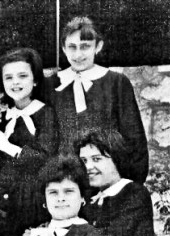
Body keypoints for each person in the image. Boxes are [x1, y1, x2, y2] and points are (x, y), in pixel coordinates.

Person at [49, 16, 148, 183]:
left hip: (107, 180)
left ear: (98, 46)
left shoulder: (116, 82)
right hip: (67, 182)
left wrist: (130, 185)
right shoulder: (52, 85)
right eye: (72, 47)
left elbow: (134, 139)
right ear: (64, 49)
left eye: (85, 46)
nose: (78, 54)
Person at [0, 48, 59, 236]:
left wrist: (8, 147)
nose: (15, 82)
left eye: (22, 76)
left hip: (32, 201)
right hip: (3, 204)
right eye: (8, 77)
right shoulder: (3, 117)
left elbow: (45, 159)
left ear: (35, 80)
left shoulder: (45, 114)